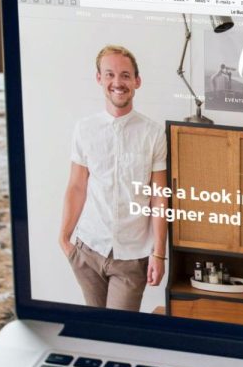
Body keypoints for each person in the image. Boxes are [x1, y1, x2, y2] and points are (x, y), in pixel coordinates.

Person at [59, 45, 167, 311]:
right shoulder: (84, 129)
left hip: (132, 257)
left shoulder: (153, 133)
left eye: (125, 75)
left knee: (121, 333)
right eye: (109, 74)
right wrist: (64, 240)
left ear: (137, 81)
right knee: (95, 333)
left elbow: (159, 197)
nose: (117, 82)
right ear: (99, 79)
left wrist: (159, 254)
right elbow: (76, 186)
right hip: (88, 249)